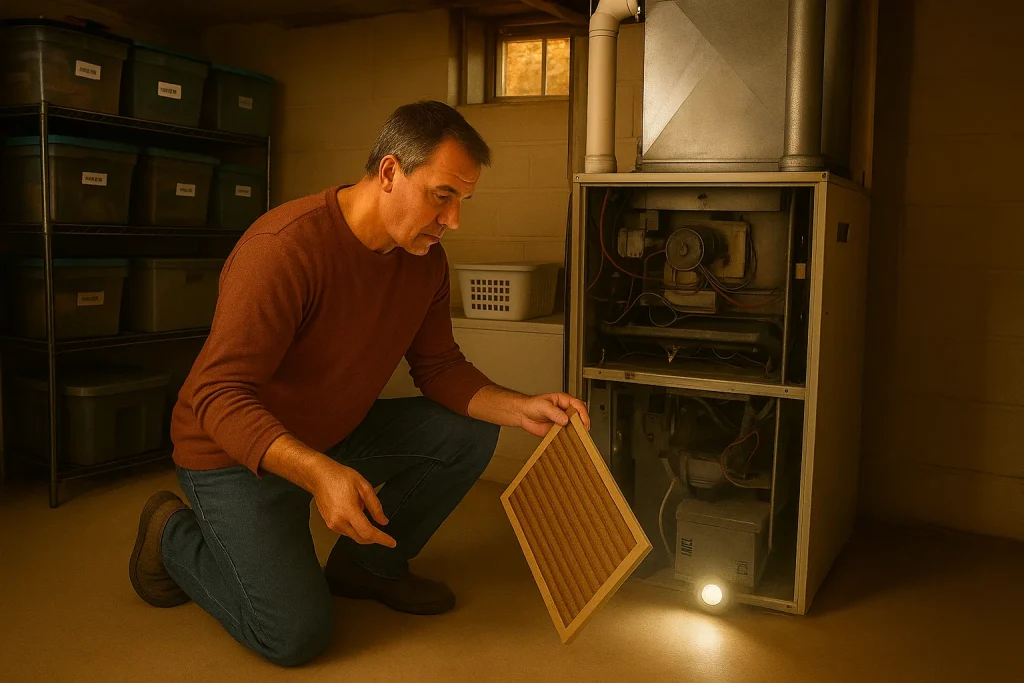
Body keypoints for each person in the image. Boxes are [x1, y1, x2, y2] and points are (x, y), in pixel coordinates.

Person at [127, 100, 590, 667]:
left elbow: (439, 366)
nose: (454, 221)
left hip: (329, 434)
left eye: (463, 202)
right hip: (227, 452)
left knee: (468, 434)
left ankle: (366, 566)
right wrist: (320, 473)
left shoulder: (425, 262)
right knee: (295, 637)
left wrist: (519, 408)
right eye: (442, 196)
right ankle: (172, 533)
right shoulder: (283, 249)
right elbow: (217, 396)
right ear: (391, 171)